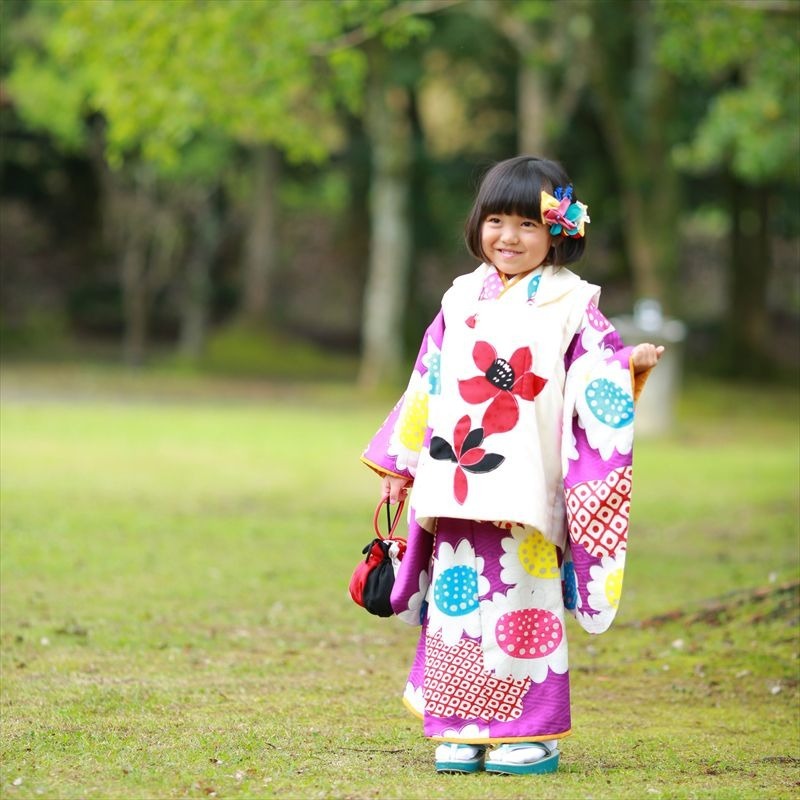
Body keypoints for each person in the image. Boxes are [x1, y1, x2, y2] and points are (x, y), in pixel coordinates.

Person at [360, 155, 663, 776]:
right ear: (478, 225)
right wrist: (401, 459)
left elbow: (592, 373)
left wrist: (624, 366)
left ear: (557, 231)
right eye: (496, 220)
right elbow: (428, 380)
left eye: (528, 224)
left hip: (525, 486)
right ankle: (459, 725)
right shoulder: (459, 297)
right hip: (455, 479)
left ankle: (530, 731)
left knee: (524, 602)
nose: (509, 237)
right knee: (457, 602)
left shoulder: (573, 303)